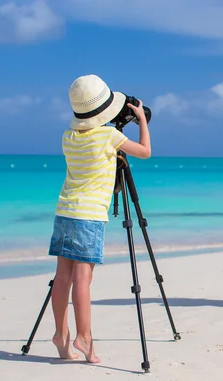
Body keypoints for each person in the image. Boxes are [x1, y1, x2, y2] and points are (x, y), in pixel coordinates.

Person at [48, 74, 152, 363]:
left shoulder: (68, 137)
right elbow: (144, 152)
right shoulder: (110, 136)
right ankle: (84, 337)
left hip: (65, 210)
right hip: (90, 215)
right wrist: (141, 119)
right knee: (83, 278)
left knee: (63, 277)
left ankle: (60, 334)